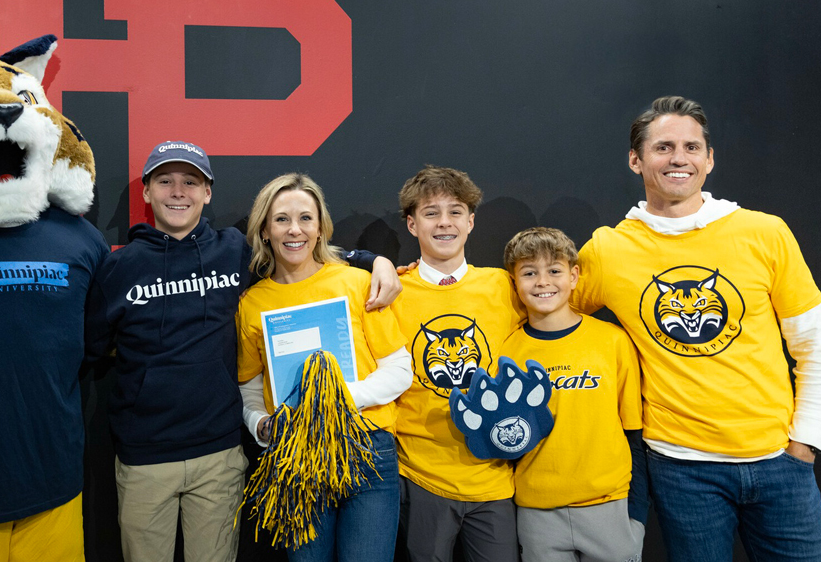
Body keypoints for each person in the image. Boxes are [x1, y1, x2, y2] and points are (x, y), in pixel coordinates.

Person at [86, 144, 401, 562]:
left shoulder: (232, 251)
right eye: (165, 181)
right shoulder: (117, 268)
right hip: (146, 454)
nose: (178, 191)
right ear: (146, 191)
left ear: (208, 192)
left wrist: (375, 260)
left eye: (190, 182)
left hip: (222, 453)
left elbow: (303, 251)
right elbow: (93, 346)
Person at [571, 96, 821, 561]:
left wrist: (806, 442)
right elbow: (543, 309)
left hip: (780, 462)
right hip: (681, 469)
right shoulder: (608, 251)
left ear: (709, 159)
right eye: (663, 147)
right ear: (636, 160)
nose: (679, 158)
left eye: (692, 147)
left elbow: (817, 346)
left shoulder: (764, 232)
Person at [236, 173, 413, 562]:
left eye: (305, 218)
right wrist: (260, 424)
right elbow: (249, 386)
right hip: (295, 455)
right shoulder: (252, 303)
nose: (294, 229)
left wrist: (332, 399)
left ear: (320, 228)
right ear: (264, 230)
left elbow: (400, 370)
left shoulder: (357, 282)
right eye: (281, 219)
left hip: (367, 450)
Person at [380, 166, 522, 562]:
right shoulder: (391, 292)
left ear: (471, 222)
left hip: (494, 477)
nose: (444, 222)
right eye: (431, 213)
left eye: (455, 211)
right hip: (420, 476)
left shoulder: (504, 286)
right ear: (412, 225)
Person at [498, 227, 646, 562]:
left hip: (609, 505)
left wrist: (637, 515)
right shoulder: (507, 352)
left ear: (574, 276)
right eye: (529, 273)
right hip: (537, 511)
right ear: (514, 281)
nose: (542, 282)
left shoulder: (612, 341)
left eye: (554, 271)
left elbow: (633, 433)